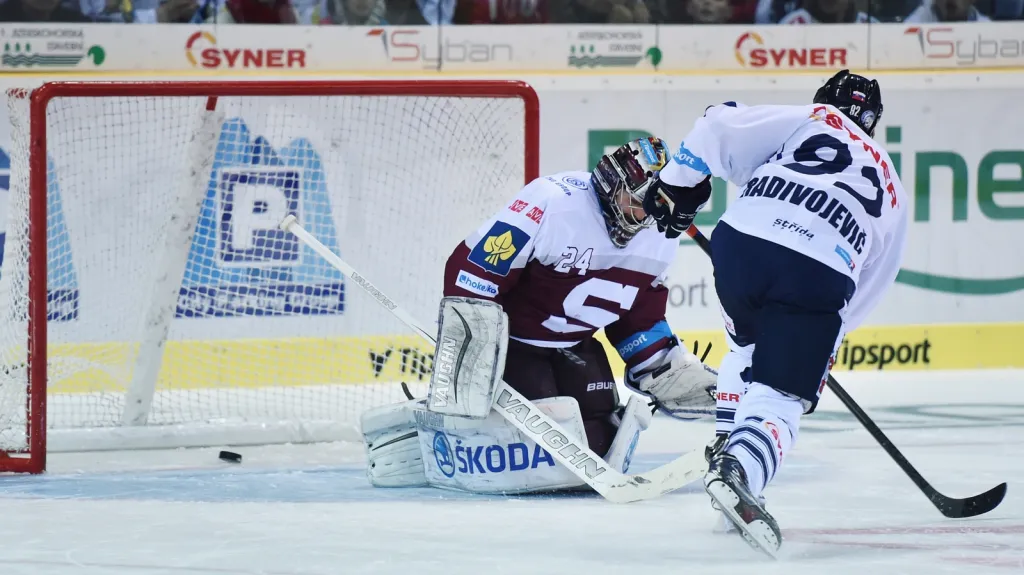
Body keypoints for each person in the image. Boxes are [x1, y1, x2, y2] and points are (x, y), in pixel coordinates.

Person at [645, 70, 908, 557]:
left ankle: (728, 445)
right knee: (781, 395)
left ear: (824, 98)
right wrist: (819, 343)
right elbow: (875, 276)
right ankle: (739, 469)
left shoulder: (810, 117)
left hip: (741, 244)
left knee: (745, 350)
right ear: (873, 123)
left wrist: (676, 186)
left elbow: (717, 121)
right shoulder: (891, 182)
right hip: (820, 269)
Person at [360, 138, 717, 495]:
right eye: (639, 202)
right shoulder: (552, 202)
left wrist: (662, 366)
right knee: (539, 439)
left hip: (576, 346)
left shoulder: (661, 234)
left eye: (656, 208)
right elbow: (473, 274)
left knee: (599, 438)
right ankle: (431, 435)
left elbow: (636, 317)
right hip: (512, 347)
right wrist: (472, 358)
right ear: (613, 183)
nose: (647, 217)